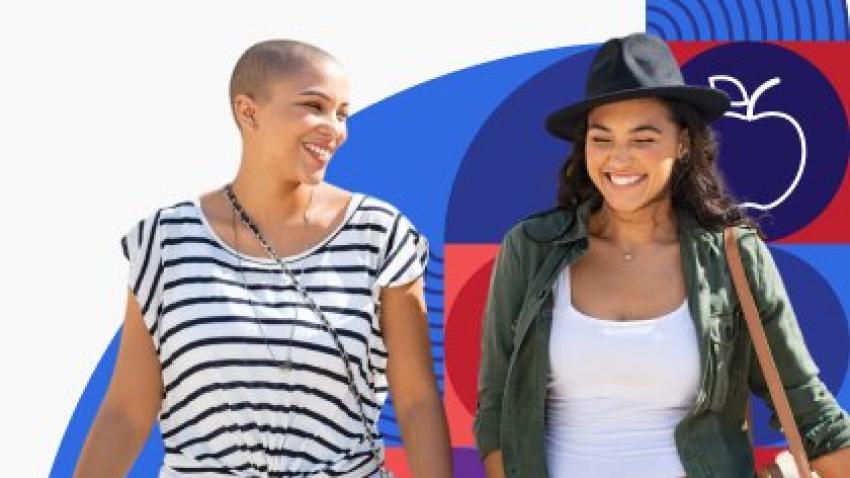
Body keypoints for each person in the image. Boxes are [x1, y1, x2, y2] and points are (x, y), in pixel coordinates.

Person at [474, 32, 850, 478]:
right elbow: (496, 408)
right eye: (602, 138)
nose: (619, 159)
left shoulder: (733, 257)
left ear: (683, 143)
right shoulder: (531, 249)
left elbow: (808, 410)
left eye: (643, 138)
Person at [74, 39, 452, 477]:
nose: (335, 128)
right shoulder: (164, 240)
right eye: (314, 105)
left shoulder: (380, 234)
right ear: (248, 112)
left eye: (342, 113)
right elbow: (126, 409)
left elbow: (418, 401)